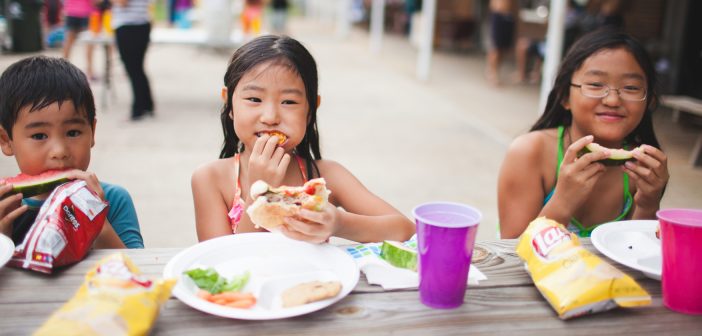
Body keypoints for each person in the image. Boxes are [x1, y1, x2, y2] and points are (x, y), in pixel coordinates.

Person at [191, 35, 415, 244]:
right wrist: (260, 194)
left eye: (288, 102)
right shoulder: (210, 179)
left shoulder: (326, 176)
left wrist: (339, 223)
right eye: (254, 99)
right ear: (229, 103)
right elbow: (223, 264)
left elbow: (405, 230)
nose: (270, 117)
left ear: (311, 110)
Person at [497, 29, 669, 238]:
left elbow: (637, 251)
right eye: (596, 85)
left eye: (631, 87)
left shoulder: (640, 167)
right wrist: (563, 202)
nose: (613, 100)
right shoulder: (529, 152)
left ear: (649, 100)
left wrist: (648, 203)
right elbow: (513, 253)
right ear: (564, 96)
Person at [0, 56, 144, 249]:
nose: (59, 152)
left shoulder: (114, 200)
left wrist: (98, 222)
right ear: (6, 140)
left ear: (92, 132)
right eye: (39, 135)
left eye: (73, 133)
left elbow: (134, 271)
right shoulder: (4, 206)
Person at [111, 0, 154, 121]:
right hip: (142, 24)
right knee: (138, 68)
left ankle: (138, 109)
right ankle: (147, 105)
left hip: (129, 26)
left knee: (133, 70)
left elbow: (122, 2)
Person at [62, 0, 98, 80]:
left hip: (71, 11)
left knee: (68, 42)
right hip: (86, 12)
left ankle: (62, 69)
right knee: (89, 43)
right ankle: (90, 71)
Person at [486, 0, 517, 86]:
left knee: (502, 49)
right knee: (496, 48)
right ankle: (492, 73)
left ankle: (495, 71)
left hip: (507, 16)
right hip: (498, 15)